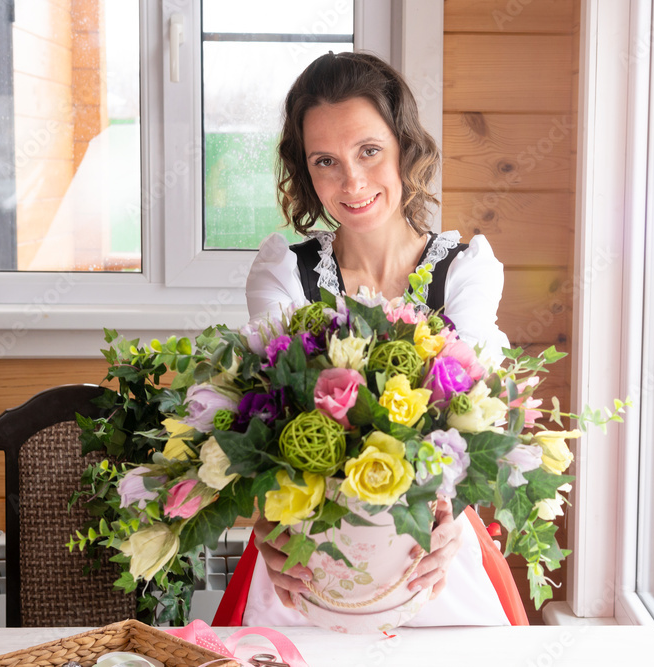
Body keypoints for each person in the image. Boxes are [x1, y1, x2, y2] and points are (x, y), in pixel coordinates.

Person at [216, 51, 526, 628]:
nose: (351, 182)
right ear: (304, 170)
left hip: (431, 550)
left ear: (404, 146)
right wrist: (264, 524)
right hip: (306, 561)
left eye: (369, 151)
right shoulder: (284, 274)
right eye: (326, 161)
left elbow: (483, 417)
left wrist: (450, 521)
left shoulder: (465, 272)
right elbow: (255, 421)